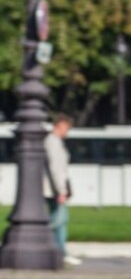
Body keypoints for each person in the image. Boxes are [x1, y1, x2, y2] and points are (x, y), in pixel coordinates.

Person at [43, 113, 81, 266]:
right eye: (68, 128)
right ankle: (59, 252)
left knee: (59, 221)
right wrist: (61, 191)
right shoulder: (53, 142)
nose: (68, 132)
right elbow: (56, 169)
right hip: (54, 189)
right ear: (61, 126)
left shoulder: (53, 141)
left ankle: (58, 251)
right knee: (59, 220)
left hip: (54, 189)